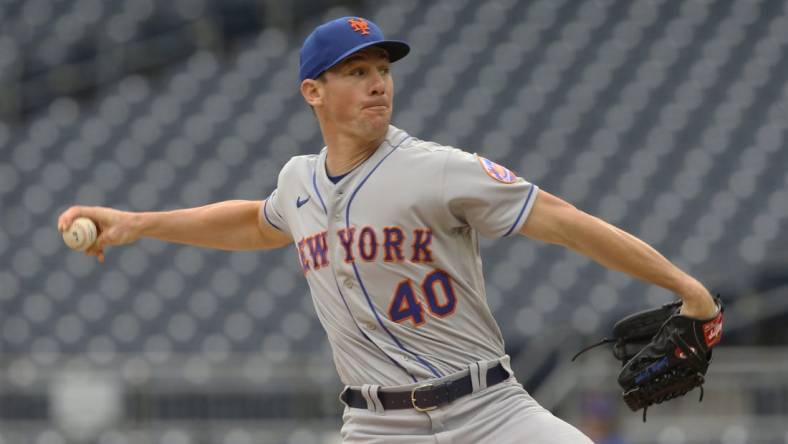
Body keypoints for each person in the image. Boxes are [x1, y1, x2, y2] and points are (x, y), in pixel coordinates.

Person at [58, 16, 719, 443]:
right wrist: (138, 224)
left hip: (488, 413)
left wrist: (689, 289)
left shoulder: (439, 171)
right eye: (357, 72)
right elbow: (256, 224)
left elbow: (567, 224)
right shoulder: (299, 182)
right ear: (313, 92)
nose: (378, 85)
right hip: (376, 426)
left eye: (382, 70)